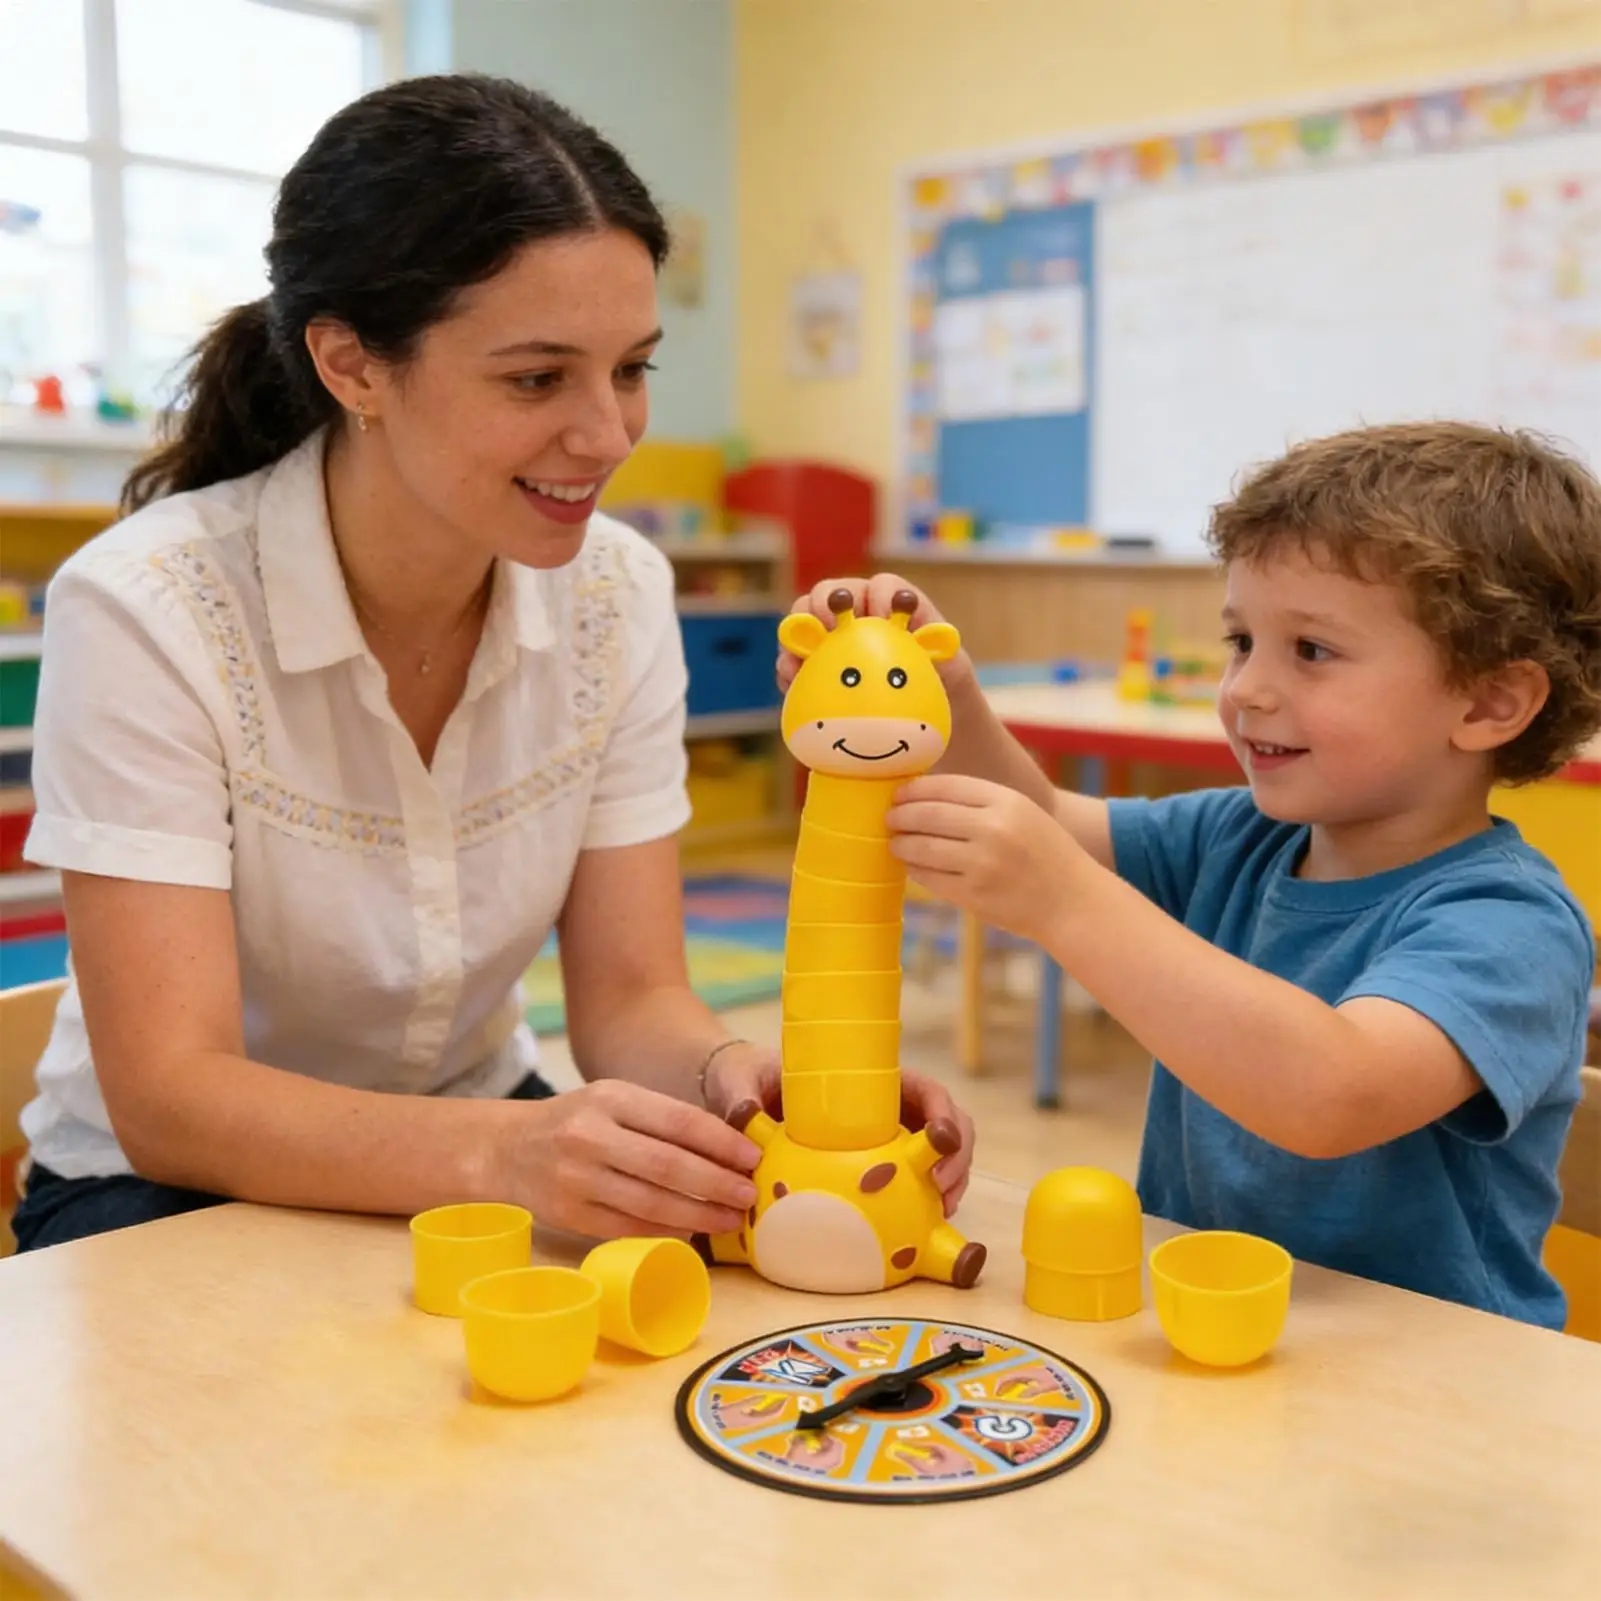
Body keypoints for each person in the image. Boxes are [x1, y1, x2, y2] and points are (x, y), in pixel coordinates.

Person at [13, 74, 973, 1253]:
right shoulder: (147, 606)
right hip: (166, 1188)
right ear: (353, 366)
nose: (609, 435)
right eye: (536, 378)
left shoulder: (617, 592)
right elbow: (171, 1099)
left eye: (631, 368)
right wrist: (502, 1151)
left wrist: (744, 1081)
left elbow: (628, 999)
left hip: (476, 1138)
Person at [784, 422, 1601, 1328]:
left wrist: (1064, 901)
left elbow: (1330, 1091)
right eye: (1240, 639)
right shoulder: (1237, 834)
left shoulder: (1508, 920)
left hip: (1432, 1380)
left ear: (1488, 701)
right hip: (1212, 1326)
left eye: (1311, 651)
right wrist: (944, 691)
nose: (1245, 687)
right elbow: (1050, 821)